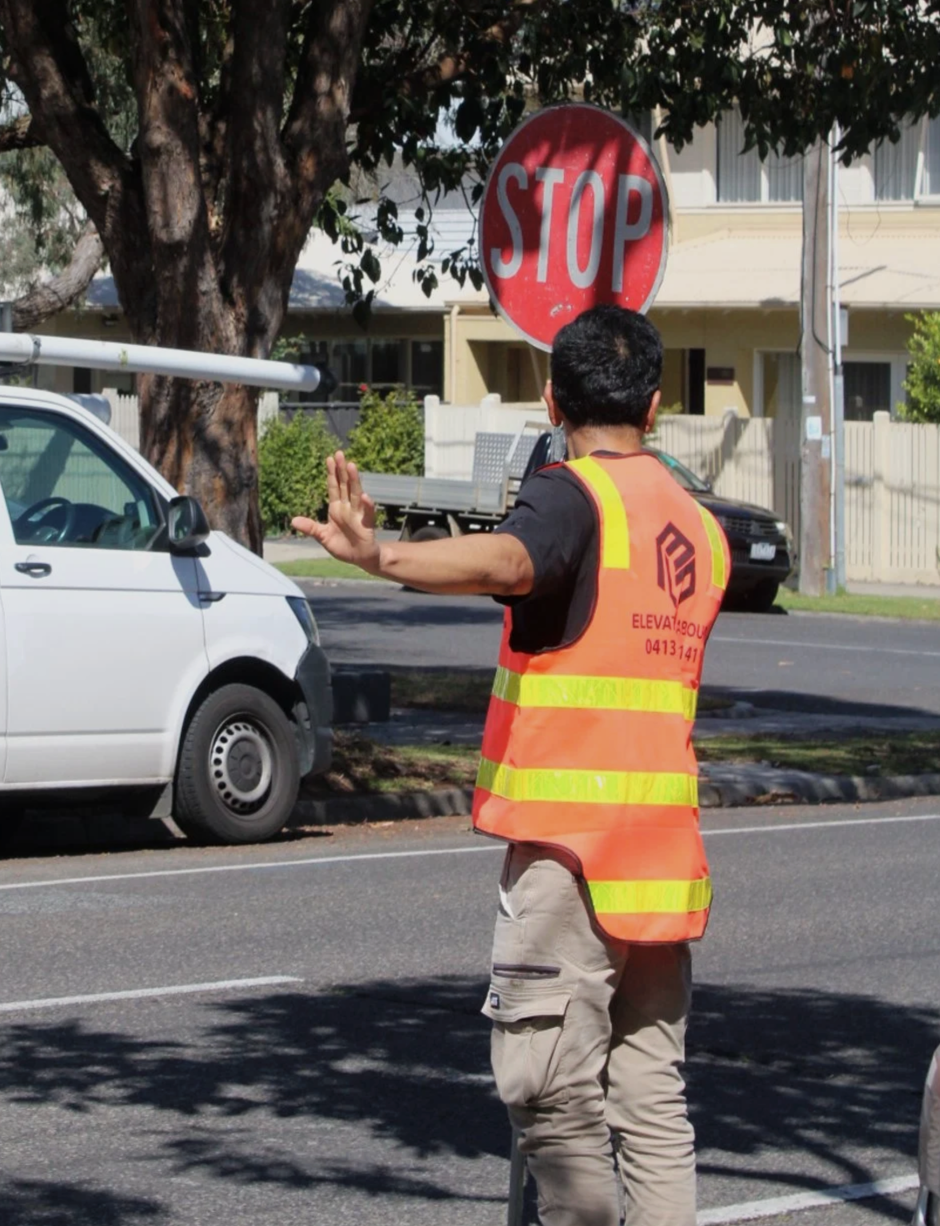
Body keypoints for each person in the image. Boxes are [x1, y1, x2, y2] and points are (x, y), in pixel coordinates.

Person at [292, 304, 730, 1226]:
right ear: (655, 406)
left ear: (550, 400)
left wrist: (383, 553)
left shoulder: (575, 497)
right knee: (652, 1105)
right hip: (659, 863)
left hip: (570, 859)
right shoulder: (699, 527)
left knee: (551, 1096)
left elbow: (513, 558)